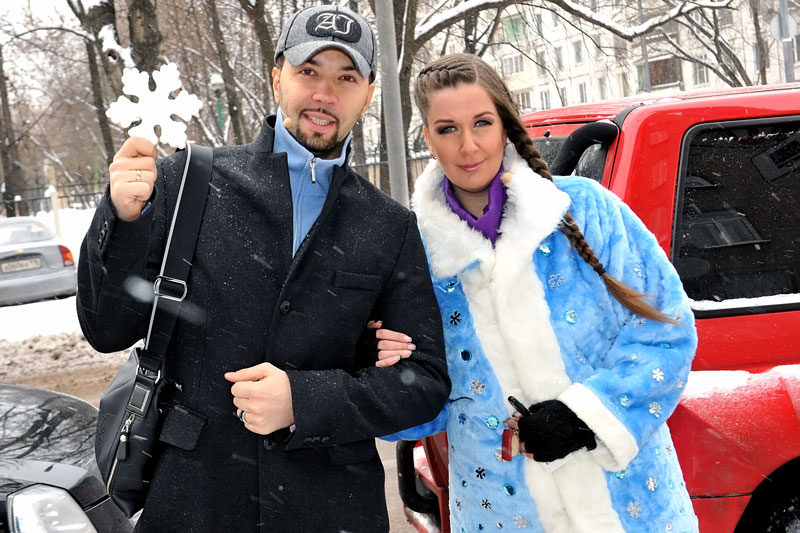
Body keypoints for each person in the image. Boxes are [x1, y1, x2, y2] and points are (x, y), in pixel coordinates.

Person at [77, 5, 450, 532]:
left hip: (332, 509)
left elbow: (423, 383)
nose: (324, 94)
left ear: (368, 96)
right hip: (195, 503)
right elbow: (106, 328)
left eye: (346, 78)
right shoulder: (189, 183)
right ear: (277, 80)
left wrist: (306, 400)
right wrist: (122, 219)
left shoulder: (389, 226)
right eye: (308, 71)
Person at [378, 53, 699, 532]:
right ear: (428, 137)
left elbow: (666, 328)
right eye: (447, 129)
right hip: (501, 515)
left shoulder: (585, 209)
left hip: (632, 510)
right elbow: (420, 412)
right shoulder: (414, 258)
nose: (468, 146)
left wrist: (585, 418)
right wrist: (382, 373)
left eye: (481, 123)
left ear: (504, 125)